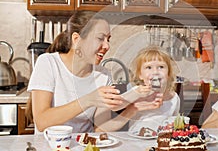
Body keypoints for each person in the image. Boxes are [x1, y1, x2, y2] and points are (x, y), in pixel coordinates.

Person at [27, 11, 162, 134]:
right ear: (76, 40)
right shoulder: (48, 63)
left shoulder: (103, 75)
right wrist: (88, 100)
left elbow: (100, 128)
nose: (107, 46)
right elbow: (42, 122)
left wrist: (133, 110)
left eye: (108, 39)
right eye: (100, 38)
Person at [127, 46, 181, 132]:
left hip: (162, 140)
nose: (155, 72)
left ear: (168, 74)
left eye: (161, 67)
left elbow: (174, 122)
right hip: (137, 139)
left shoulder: (174, 98)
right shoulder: (136, 92)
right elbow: (119, 104)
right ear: (140, 75)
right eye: (149, 67)